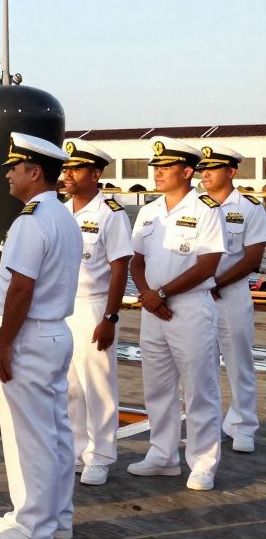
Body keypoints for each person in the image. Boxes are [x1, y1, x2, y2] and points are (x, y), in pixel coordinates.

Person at [0, 133, 81, 539]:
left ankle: (34, 525)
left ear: (35, 171)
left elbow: (21, 288)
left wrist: (5, 343)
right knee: (55, 433)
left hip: (30, 336)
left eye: (14, 167)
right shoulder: (62, 216)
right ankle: (56, 518)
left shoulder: (31, 220)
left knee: (32, 436)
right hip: (55, 333)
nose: (8, 173)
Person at [127, 136, 224, 491]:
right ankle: (162, 454)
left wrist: (163, 293)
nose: (157, 173)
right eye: (156, 168)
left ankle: (203, 462)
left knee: (199, 388)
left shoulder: (206, 209)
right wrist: (147, 294)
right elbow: (137, 260)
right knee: (158, 386)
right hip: (154, 309)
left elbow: (208, 263)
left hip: (189, 309)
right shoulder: (150, 212)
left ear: (187, 171)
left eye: (166, 168)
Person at [59, 139, 132, 488]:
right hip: (64, 308)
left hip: (93, 306)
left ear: (96, 173)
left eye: (76, 168)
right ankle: (75, 451)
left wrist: (110, 317)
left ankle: (101, 456)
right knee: (70, 385)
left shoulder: (110, 213)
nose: (68, 174)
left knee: (98, 385)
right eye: (66, 168)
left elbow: (121, 268)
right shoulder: (61, 210)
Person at [198, 142, 266, 454]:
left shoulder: (250, 208)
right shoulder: (196, 205)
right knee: (203, 363)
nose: (205, 175)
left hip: (232, 294)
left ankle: (243, 425)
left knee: (239, 361)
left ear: (232, 171)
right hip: (198, 295)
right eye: (203, 170)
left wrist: (215, 281)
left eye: (212, 169)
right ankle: (211, 423)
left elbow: (252, 258)